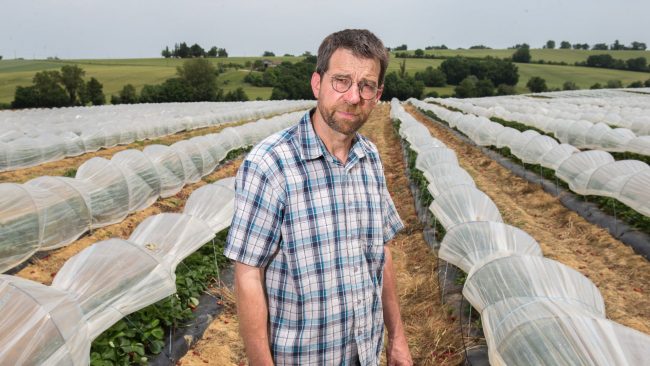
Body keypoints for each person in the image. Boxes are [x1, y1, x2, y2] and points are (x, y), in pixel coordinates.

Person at [224, 29, 412, 366]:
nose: (354, 97)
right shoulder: (270, 165)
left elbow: (380, 254)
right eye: (341, 81)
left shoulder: (370, 159)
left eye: (366, 86)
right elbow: (248, 272)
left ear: (378, 94)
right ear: (317, 84)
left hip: (365, 354)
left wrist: (397, 339)